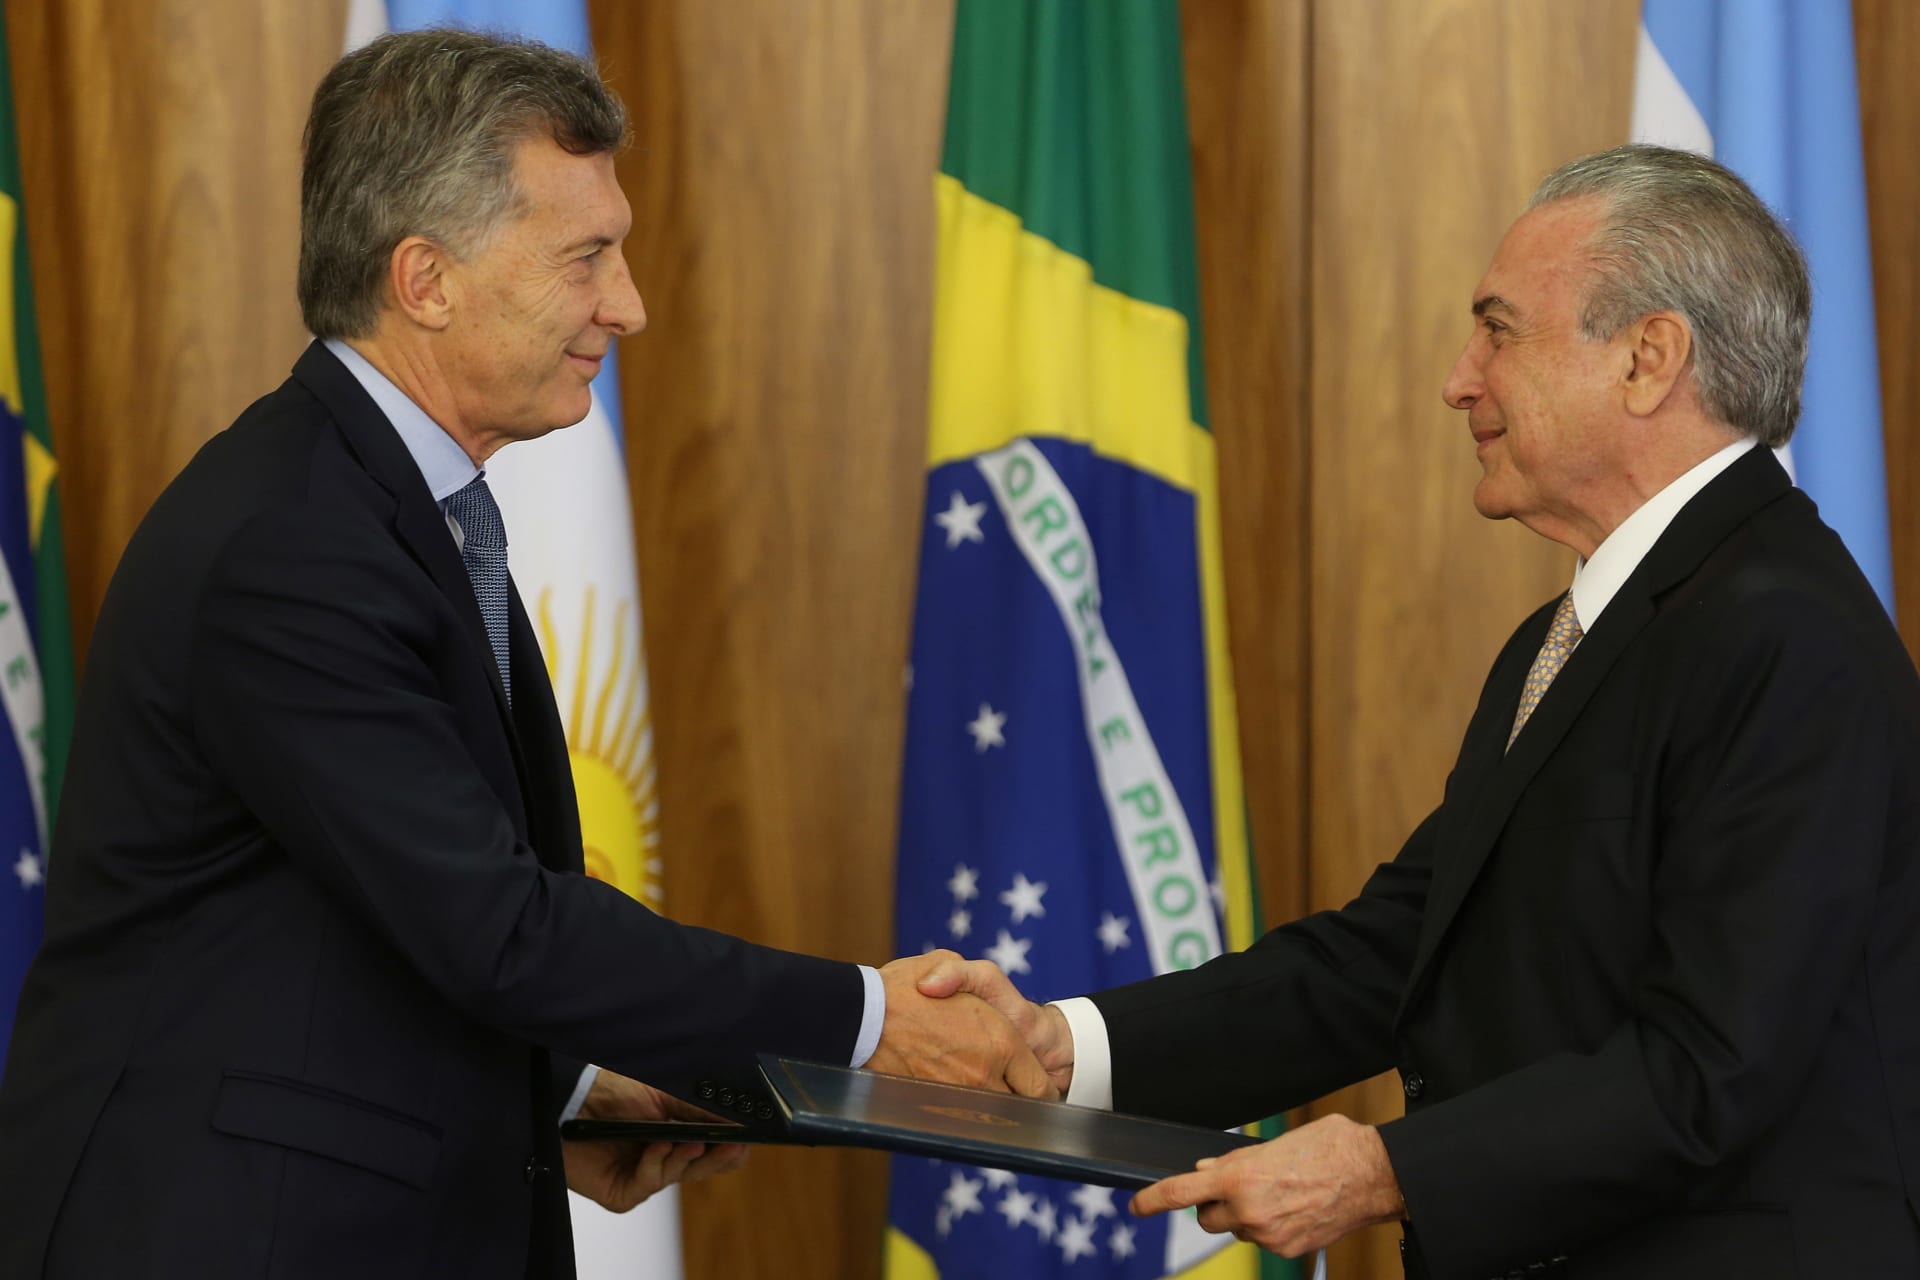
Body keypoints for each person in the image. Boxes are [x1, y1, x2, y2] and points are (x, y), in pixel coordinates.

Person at [0, 30, 1045, 1280]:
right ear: (425, 278)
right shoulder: (289, 543)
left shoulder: (392, 505)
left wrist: (559, 1097)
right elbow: (498, 924)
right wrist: (871, 1024)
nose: (631, 303)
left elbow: (359, 931)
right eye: (587, 256)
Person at [923, 144, 1920, 1279]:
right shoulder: (1590, 630)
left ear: (1650, 358)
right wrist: (1070, 1048)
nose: (1459, 377)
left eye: (1499, 329)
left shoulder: (1786, 635)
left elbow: (1712, 1066)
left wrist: (1383, 1168)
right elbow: (1395, 955)